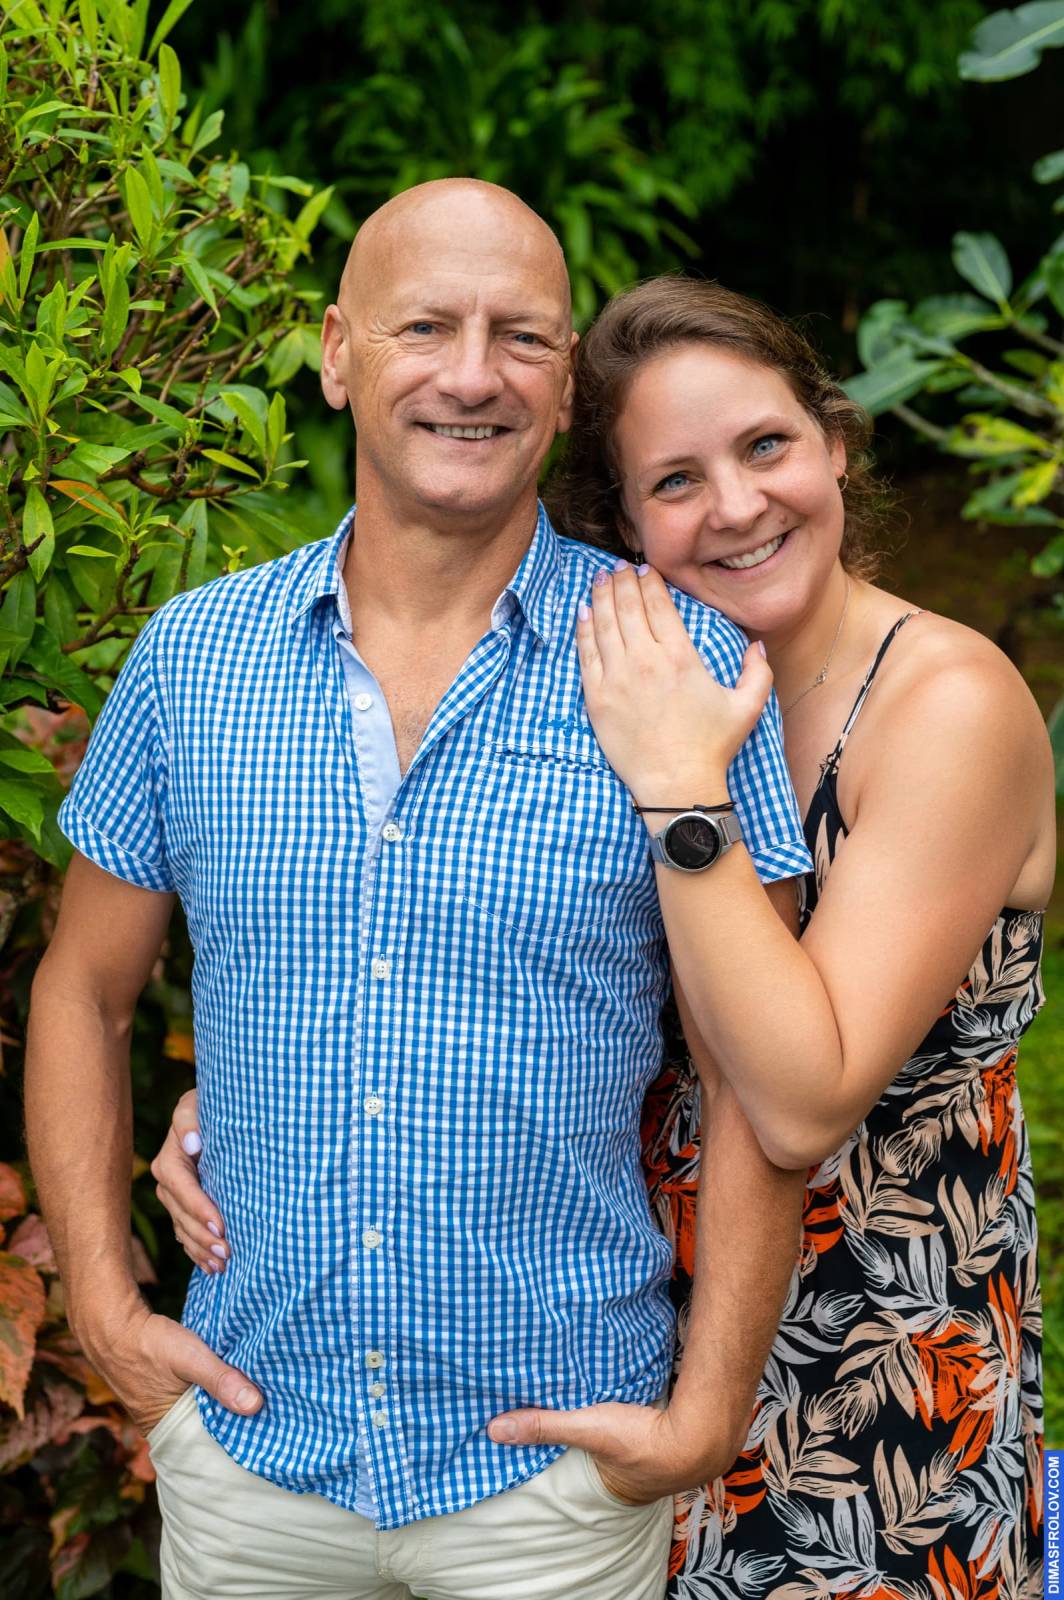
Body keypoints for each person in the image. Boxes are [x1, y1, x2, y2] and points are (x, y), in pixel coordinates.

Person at [156, 273, 1051, 1600]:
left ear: (835, 444)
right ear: (625, 521)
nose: (736, 505)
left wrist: (683, 791)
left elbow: (800, 1099)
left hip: (873, 1366)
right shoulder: (636, 675)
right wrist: (245, 1112)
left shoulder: (944, 705)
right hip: (628, 1350)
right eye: (675, 481)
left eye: (766, 446)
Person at [24, 187, 815, 1600]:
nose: (472, 373)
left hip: (552, 1477)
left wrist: (705, 1412)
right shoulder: (194, 662)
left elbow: (750, 1072)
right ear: (338, 355)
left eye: (521, 337)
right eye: (426, 327)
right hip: (253, 1458)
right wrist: (102, 1302)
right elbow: (83, 990)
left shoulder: (675, 665)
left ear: (565, 389)